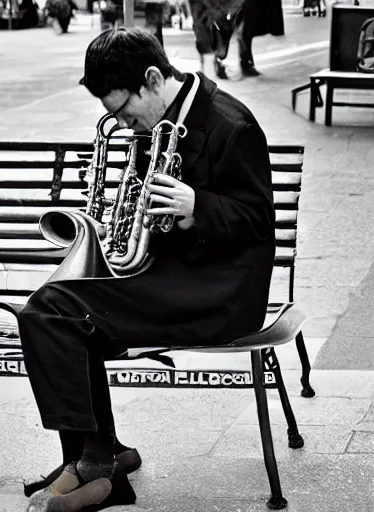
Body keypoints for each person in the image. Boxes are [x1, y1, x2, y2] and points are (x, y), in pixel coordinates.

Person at [19, 27, 276, 512]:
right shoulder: (154, 125)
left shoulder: (231, 124)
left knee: (53, 309)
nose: (125, 125)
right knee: (57, 313)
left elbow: (259, 221)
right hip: (168, 278)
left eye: (125, 112)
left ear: (153, 79)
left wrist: (199, 205)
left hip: (218, 291)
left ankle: (94, 462)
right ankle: (98, 455)